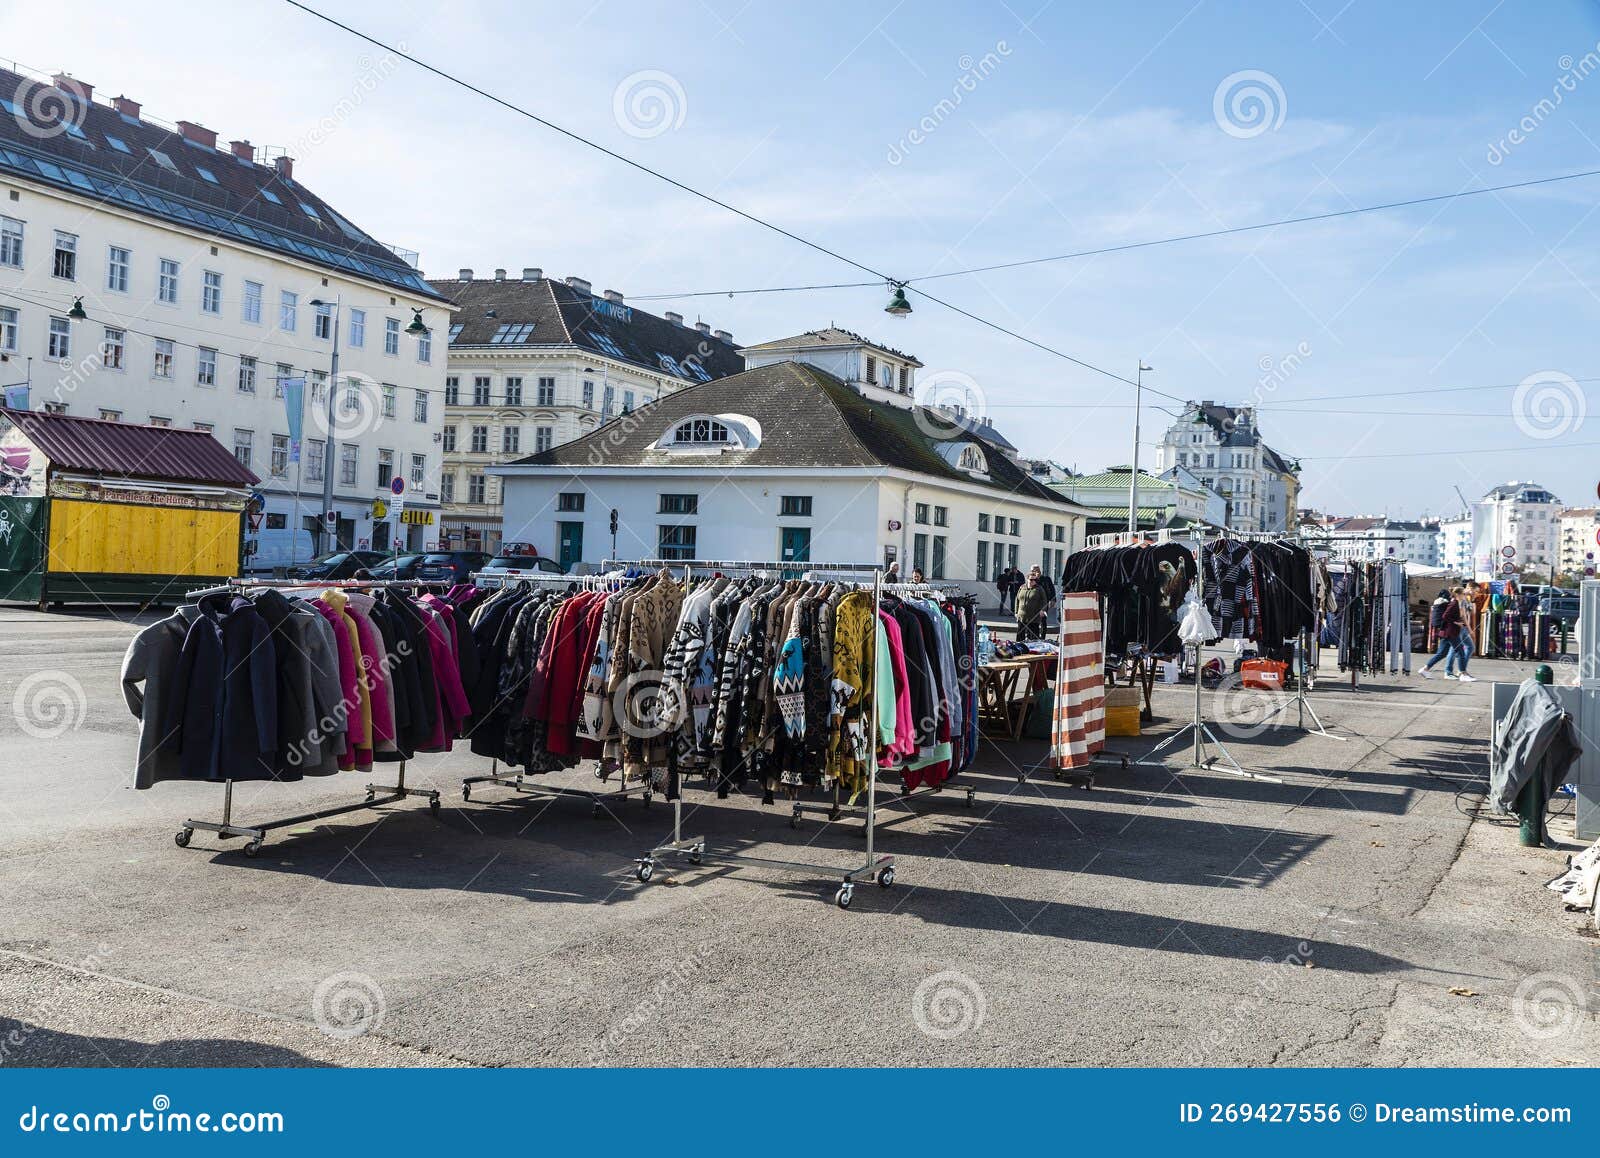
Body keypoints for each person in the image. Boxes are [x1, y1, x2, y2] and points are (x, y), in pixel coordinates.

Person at [1421, 587, 1469, 680]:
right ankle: (1463, 674)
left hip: (1446, 632)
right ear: (1458, 594)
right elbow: (1445, 616)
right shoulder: (1454, 603)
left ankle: (1425, 669)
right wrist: (1457, 623)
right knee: (1461, 652)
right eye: (1463, 594)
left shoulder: (1455, 603)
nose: (1465, 596)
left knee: (1442, 653)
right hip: (1450, 632)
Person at [1448, 585, 1476, 679]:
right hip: (1460, 627)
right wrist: (1470, 629)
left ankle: (1460, 670)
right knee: (1454, 650)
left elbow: (1471, 613)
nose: (1475, 593)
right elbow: (1463, 616)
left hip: (1462, 627)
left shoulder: (1466, 600)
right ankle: (1455, 671)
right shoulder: (1461, 601)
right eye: (1474, 591)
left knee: (1466, 648)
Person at [1014, 569, 1049, 640]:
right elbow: (1017, 600)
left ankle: (1033, 649)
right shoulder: (1022, 587)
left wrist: (1043, 610)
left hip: (1034, 616)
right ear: (1027, 579)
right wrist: (1016, 612)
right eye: (1031, 580)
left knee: (1033, 636)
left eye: (1035, 580)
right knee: (1020, 635)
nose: (1034, 581)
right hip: (1022, 616)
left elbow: (1044, 600)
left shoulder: (1039, 589)